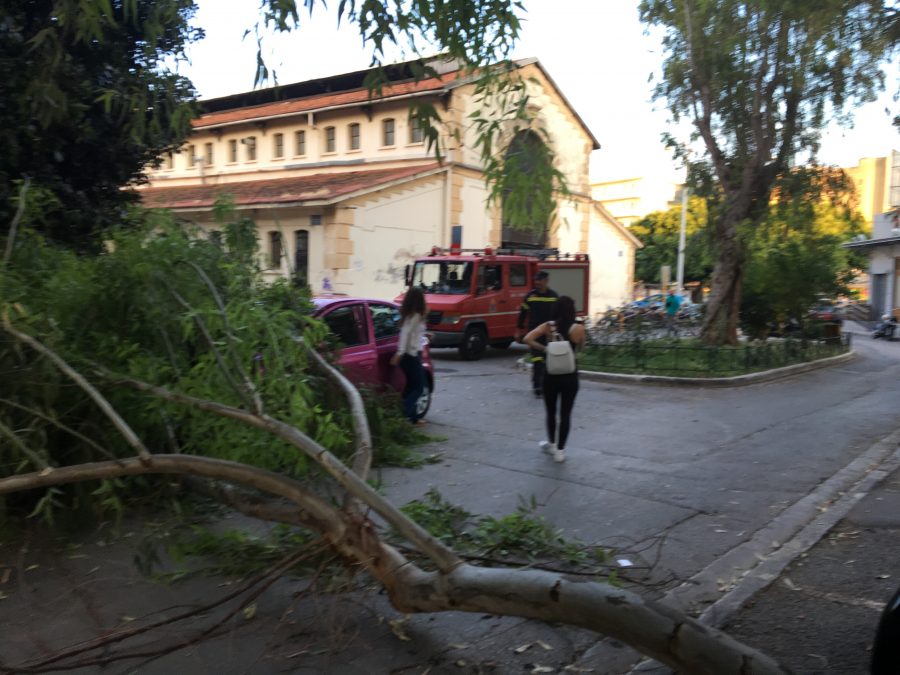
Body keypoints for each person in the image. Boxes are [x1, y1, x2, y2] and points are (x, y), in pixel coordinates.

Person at [524, 296, 585, 463]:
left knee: (550, 412)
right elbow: (581, 347)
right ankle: (560, 451)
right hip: (570, 376)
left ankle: (551, 444)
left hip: (550, 376)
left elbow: (527, 338)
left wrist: (546, 349)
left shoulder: (548, 327)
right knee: (566, 414)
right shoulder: (578, 328)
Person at [516, 270, 558, 396]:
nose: (537, 283)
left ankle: (546, 384)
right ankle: (537, 386)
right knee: (537, 359)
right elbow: (523, 313)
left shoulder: (554, 296)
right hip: (534, 333)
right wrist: (519, 329)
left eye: (540, 281)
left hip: (549, 333)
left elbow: (558, 314)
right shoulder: (530, 296)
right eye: (536, 281)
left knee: (547, 360)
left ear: (546, 281)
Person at [390, 287, 428, 425]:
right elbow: (405, 334)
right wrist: (399, 353)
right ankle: (402, 415)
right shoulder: (415, 316)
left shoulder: (409, 315)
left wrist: (425, 335)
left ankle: (413, 419)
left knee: (411, 387)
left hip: (408, 355)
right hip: (411, 355)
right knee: (418, 387)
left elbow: (412, 334)